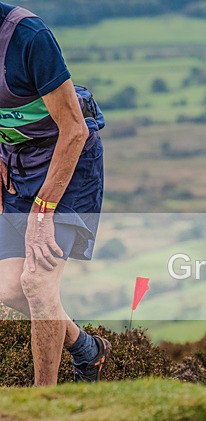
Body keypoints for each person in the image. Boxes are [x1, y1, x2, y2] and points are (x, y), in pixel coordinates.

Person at [0, 4, 109, 386]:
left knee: (37, 284)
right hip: (18, 166)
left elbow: (75, 130)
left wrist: (42, 212)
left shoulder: (28, 37)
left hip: (69, 164)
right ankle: (88, 350)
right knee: (9, 288)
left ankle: (43, 401)